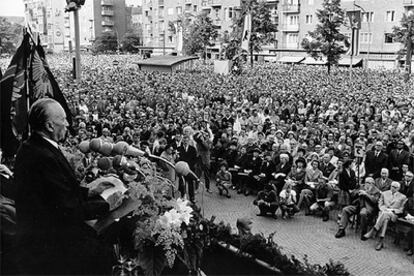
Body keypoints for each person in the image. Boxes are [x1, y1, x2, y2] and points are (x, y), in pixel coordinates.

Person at [14, 99, 114, 275]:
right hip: (52, 245)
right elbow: (67, 209)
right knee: (106, 253)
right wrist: (108, 204)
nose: (68, 124)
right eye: (63, 119)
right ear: (50, 126)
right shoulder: (43, 156)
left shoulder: (34, 146)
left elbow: (56, 190)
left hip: (44, 235)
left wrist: (89, 192)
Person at [363, 182, 407, 251]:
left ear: (399, 188)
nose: (393, 188)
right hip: (383, 213)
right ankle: (381, 241)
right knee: (385, 220)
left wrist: (392, 210)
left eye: (396, 187)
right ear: (390, 186)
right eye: (392, 186)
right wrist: (384, 209)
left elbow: (401, 209)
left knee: (386, 214)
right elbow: (380, 204)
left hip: (394, 215)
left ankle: (373, 230)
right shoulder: (384, 193)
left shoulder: (403, 197)